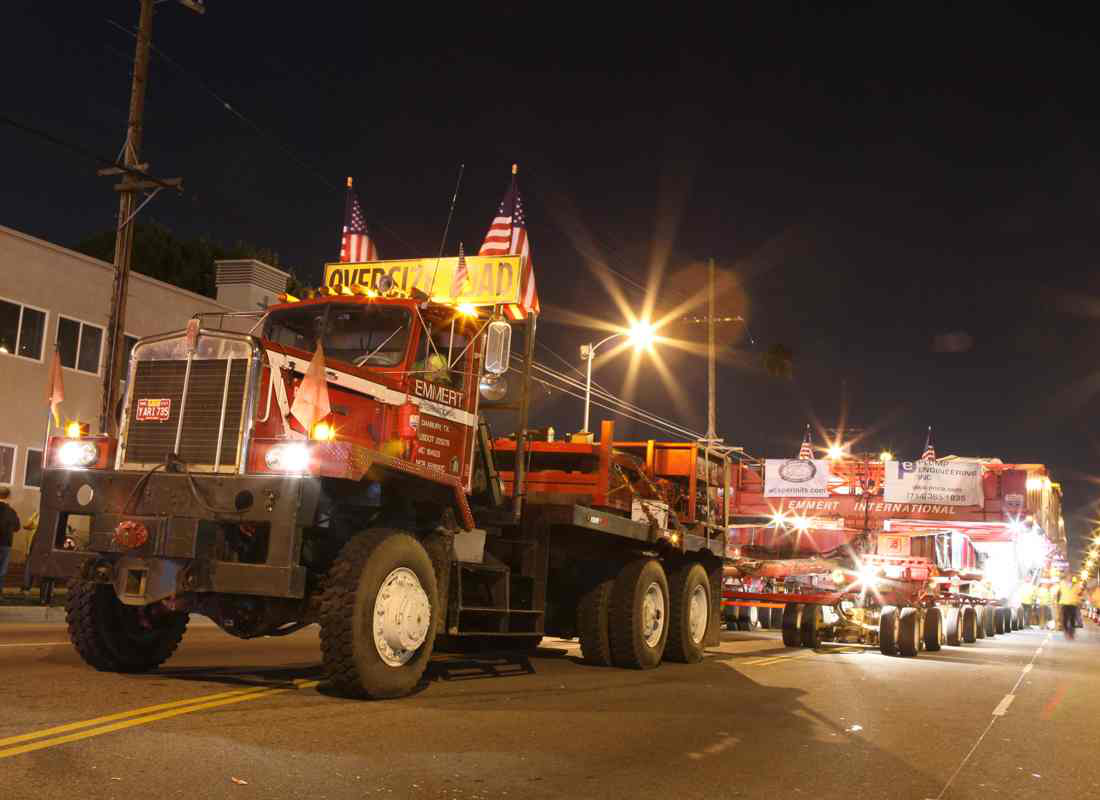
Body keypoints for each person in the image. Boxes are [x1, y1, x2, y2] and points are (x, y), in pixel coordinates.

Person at [0, 487, 21, 594]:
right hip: (6, 544)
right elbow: (17, 527)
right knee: (2, 570)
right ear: (8, 497)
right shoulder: (11, 511)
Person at [1056, 574, 1083, 639]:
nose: (1070, 578)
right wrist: (1058, 602)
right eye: (1068, 577)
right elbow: (1058, 593)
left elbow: (1080, 594)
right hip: (1064, 604)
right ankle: (1066, 631)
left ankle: (1071, 633)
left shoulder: (1076, 585)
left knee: (1072, 619)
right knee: (1064, 619)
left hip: (1073, 604)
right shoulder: (1062, 584)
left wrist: (1079, 602)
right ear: (1066, 578)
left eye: (1071, 577)